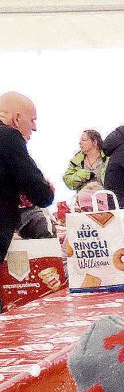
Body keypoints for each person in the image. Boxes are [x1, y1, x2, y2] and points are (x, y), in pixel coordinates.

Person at [0, 92, 53, 265]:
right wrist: (45, 188)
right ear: (16, 119)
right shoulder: (8, 137)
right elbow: (41, 194)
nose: (35, 127)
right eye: (32, 120)